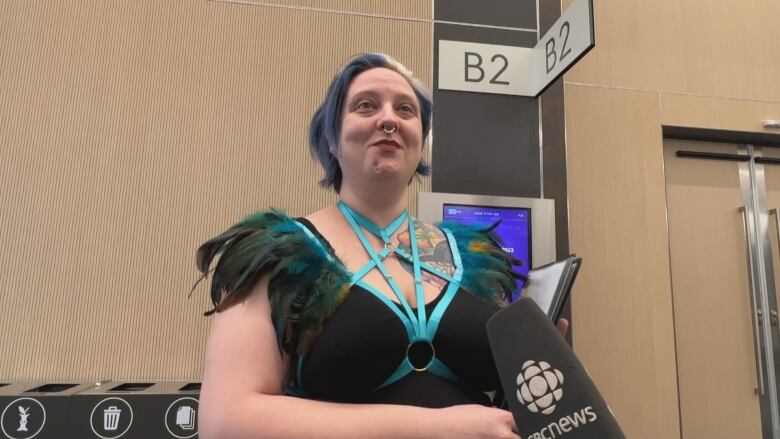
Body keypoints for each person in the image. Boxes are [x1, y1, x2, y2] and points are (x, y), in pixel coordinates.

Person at [195, 53, 568, 439]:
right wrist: (439, 428)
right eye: (366, 105)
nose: (388, 119)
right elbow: (226, 421)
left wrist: (535, 358)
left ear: (420, 143)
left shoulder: (469, 256)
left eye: (405, 110)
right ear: (331, 138)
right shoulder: (280, 254)